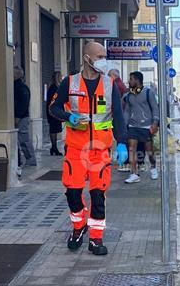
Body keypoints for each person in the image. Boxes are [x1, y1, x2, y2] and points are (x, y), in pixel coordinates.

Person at [49, 41, 128, 256]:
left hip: (99, 151)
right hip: (75, 150)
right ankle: (78, 226)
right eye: (100, 56)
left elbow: (118, 117)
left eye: (104, 56)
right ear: (87, 58)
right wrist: (69, 117)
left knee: (98, 195)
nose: (104, 60)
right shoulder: (70, 83)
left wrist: (121, 142)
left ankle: (96, 238)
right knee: (73, 193)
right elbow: (54, 108)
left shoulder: (110, 85)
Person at [122, 71, 159, 184]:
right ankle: (134, 174)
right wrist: (124, 125)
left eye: (131, 79)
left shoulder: (148, 93)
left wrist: (155, 123)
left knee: (149, 151)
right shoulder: (129, 95)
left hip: (146, 126)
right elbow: (127, 111)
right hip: (133, 126)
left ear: (137, 80)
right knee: (131, 149)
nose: (129, 81)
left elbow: (155, 108)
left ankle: (153, 167)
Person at [14, 65, 36, 169]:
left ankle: (31, 160)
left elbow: (23, 104)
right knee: (20, 140)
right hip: (19, 117)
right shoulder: (17, 86)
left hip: (21, 118)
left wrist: (18, 117)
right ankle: (22, 160)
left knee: (24, 139)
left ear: (16, 75)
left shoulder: (21, 87)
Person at [45, 71, 63, 156]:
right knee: (53, 129)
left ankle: (54, 147)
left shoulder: (54, 87)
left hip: (53, 111)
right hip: (53, 111)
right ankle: (54, 147)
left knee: (54, 129)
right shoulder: (54, 88)